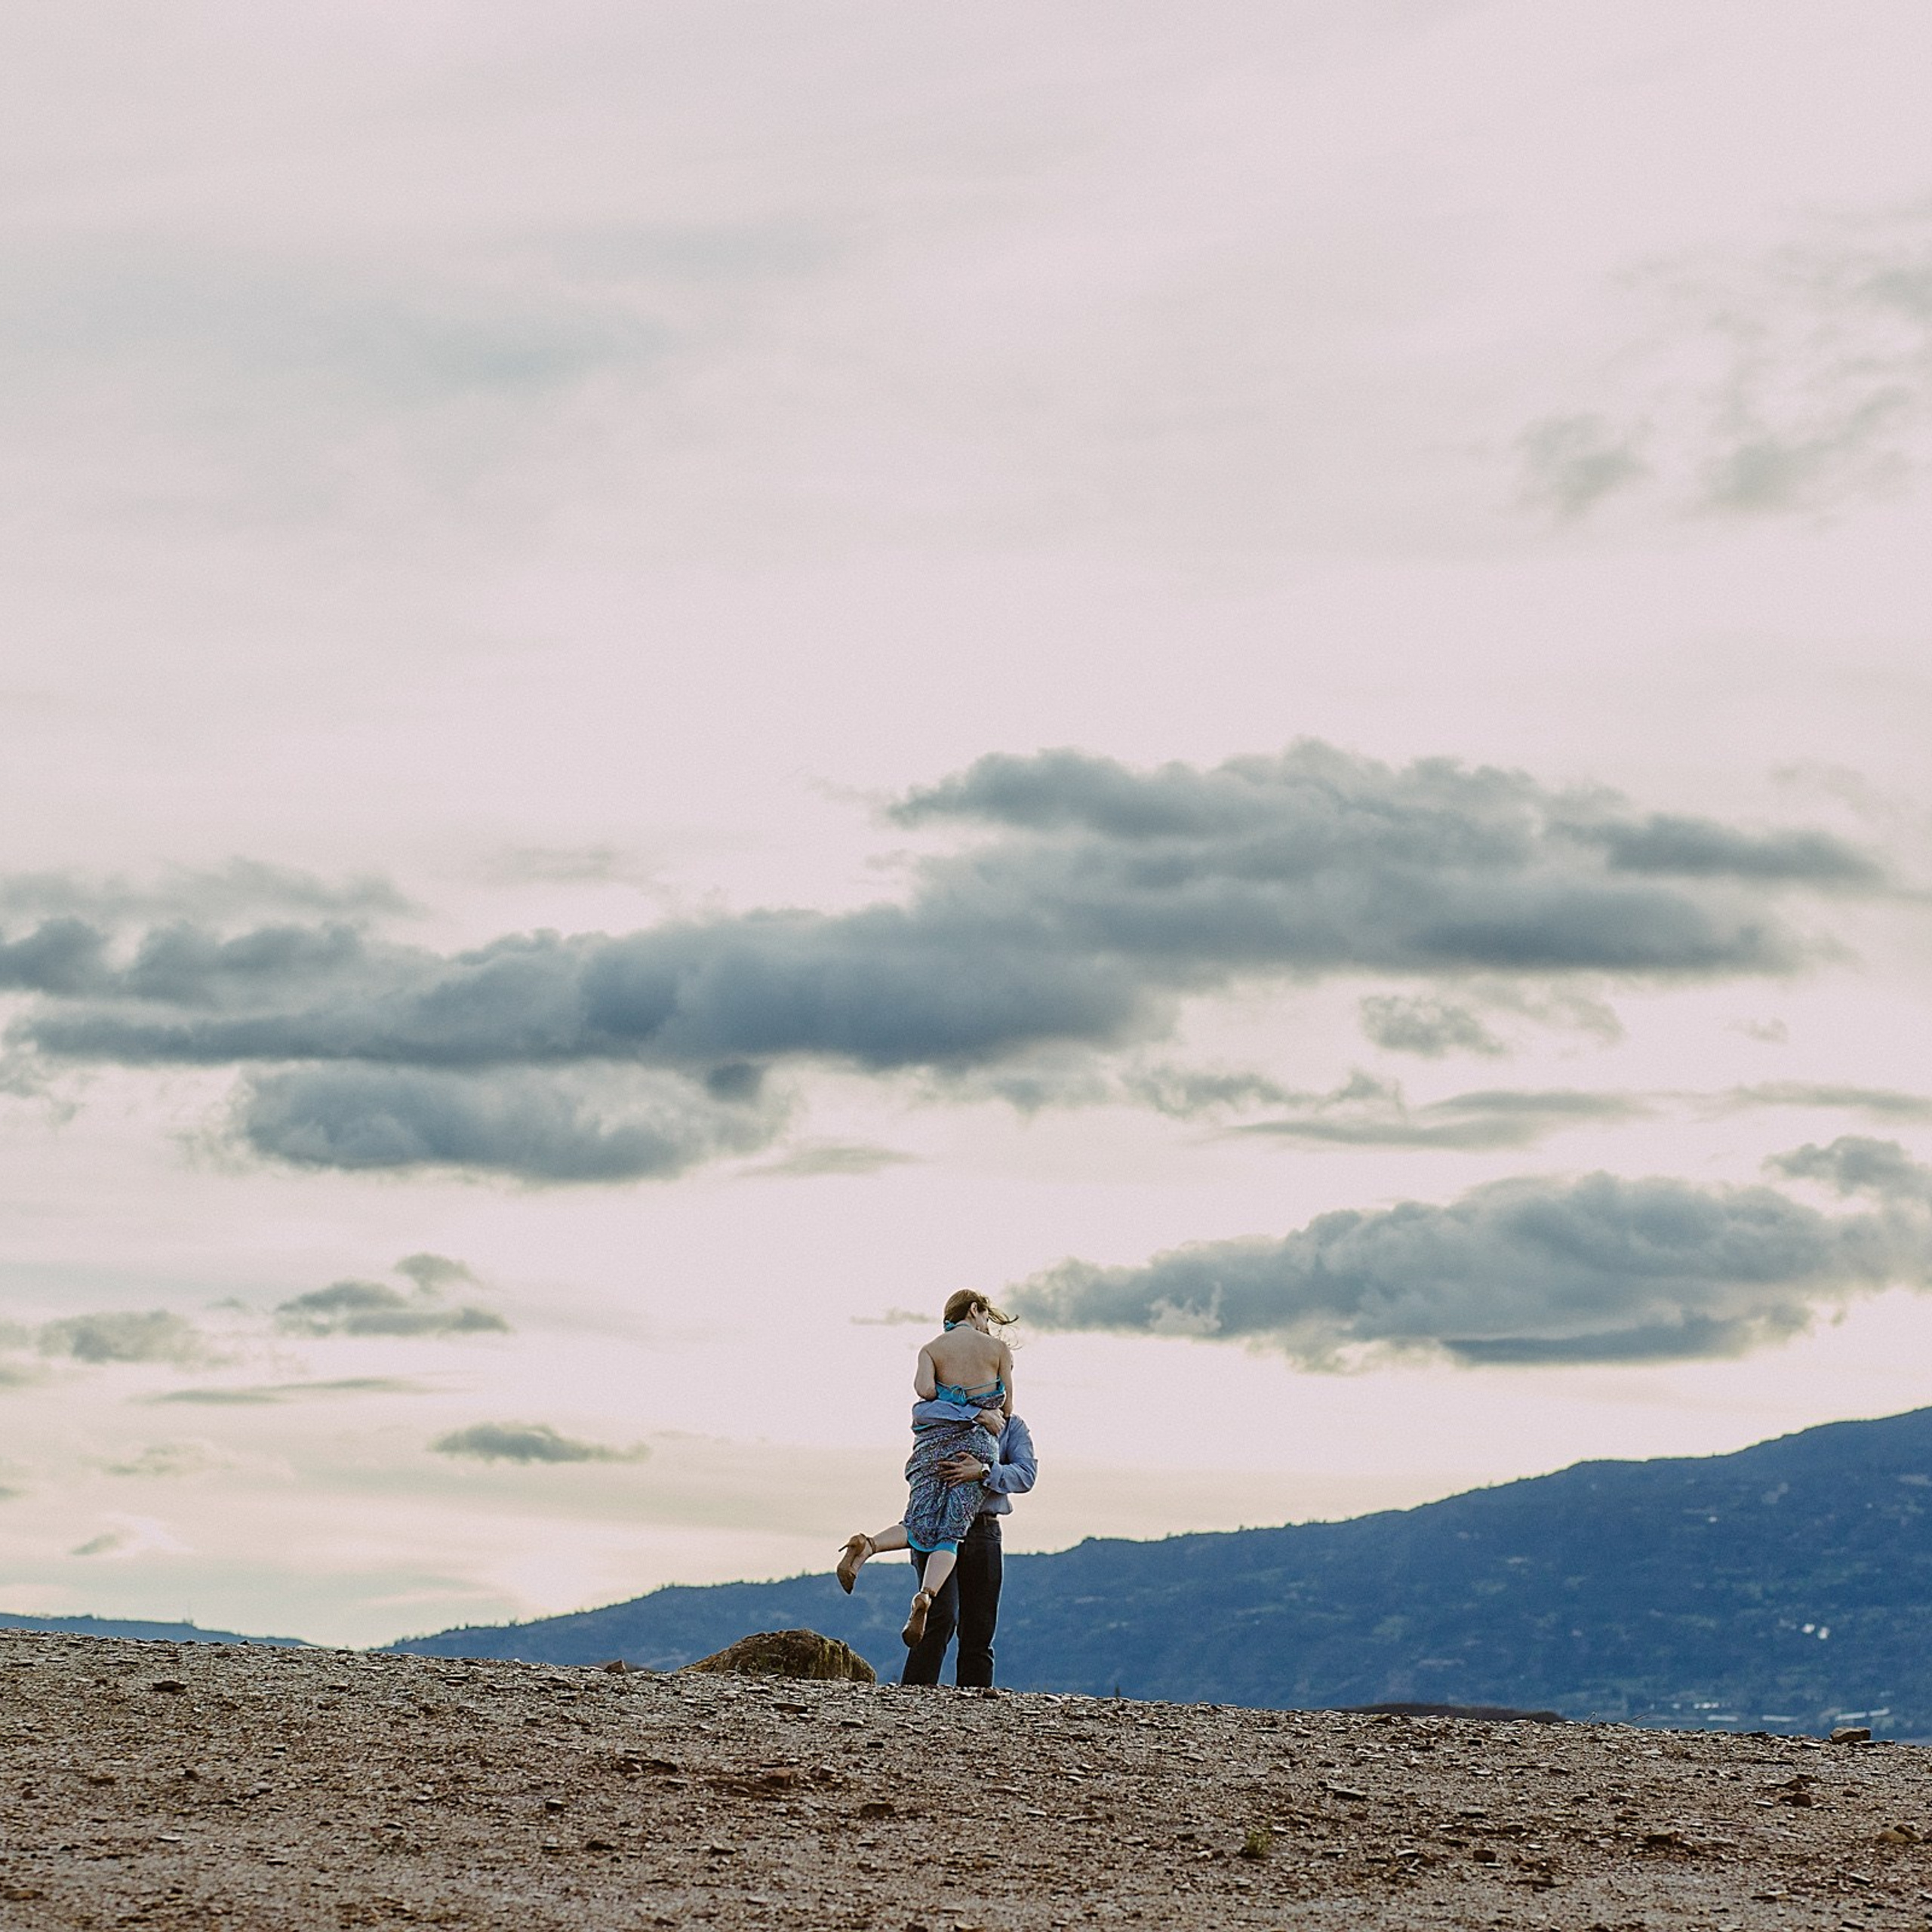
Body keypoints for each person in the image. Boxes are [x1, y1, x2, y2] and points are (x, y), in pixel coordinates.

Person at [836, 1290, 1015, 1647]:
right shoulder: (997, 1351)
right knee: (949, 1534)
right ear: (975, 1310)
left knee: (918, 1522)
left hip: (931, 1446)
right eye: (986, 1318)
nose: (987, 1326)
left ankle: (868, 1545)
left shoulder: (931, 1349)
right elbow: (1007, 1409)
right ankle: (927, 1596)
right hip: (973, 1450)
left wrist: (954, 1397)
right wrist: (978, 1406)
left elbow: (924, 1391)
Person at [901, 1404, 1035, 1689]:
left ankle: (975, 1708)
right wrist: (972, 1416)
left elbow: (1026, 1475)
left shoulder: (1013, 1427)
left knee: (980, 1628)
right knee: (939, 1617)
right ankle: (912, 1700)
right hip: (937, 1528)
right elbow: (920, 1412)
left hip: (983, 1530)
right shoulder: (940, 1412)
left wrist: (984, 1471)